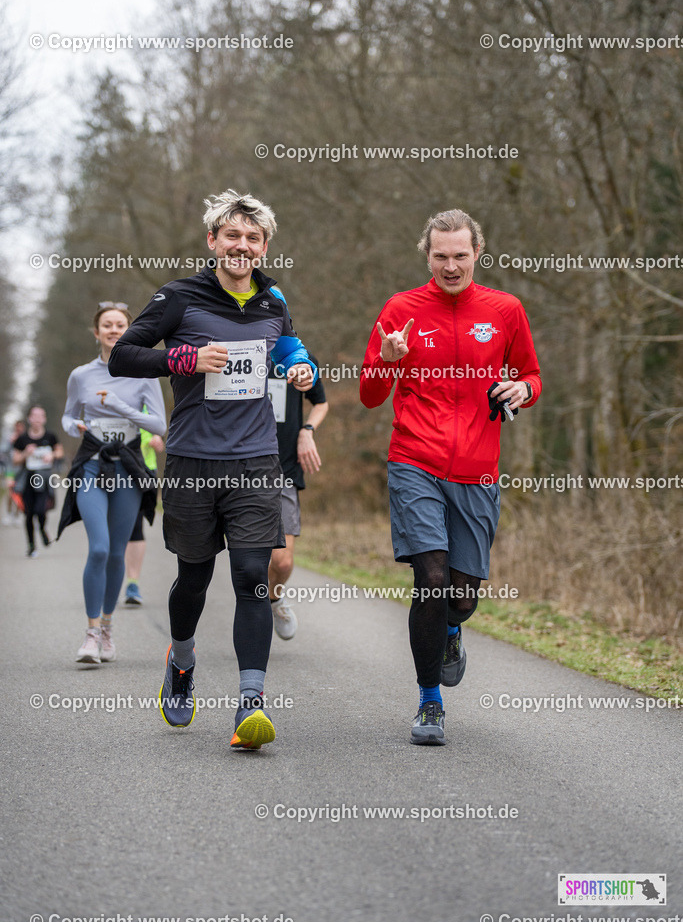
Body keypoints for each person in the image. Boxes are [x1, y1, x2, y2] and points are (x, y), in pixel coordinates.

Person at [108, 189, 317, 751]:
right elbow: (123, 355)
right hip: (193, 461)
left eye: (253, 238)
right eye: (232, 236)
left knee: (252, 576)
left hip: (255, 461)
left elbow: (289, 348)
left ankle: (251, 704)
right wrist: (184, 358)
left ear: (264, 246)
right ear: (213, 241)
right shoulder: (179, 297)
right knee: (194, 578)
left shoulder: (272, 300)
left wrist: (300, 369)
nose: (242, 246)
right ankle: (181, 661)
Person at [360, 207, 541, 746]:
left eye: (460, 255)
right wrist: (387, 359)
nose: (451, 266)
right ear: (427, 255)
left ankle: (453, 629)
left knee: (460, 596)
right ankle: (429, 701)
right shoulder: (401, 310)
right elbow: (369, 394)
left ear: (477, 253)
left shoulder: (505, 310)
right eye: (441, 256)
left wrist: (522, 390)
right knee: (431, 579)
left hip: (478, 472)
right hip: (415, 460)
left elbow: (530, 375)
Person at [59, 302, 166, 664]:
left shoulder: (145, 375)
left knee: (118, 552)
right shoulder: (81, 375)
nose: (114, 330)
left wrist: (120, 406)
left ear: (129, 331)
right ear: (97, 332)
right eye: (107, 325)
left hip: (128, 470)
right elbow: (68, 416)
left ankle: (107, 627)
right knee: (99, 548)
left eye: (120, 325)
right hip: (92, 466)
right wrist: (75, 426)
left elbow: (159, 426)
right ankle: (91, 634)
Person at [267, 354, 329, 638]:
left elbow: (321, 402)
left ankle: (273, 598)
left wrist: (307, 430)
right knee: (249, 560)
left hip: (284, 470)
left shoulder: (298, 359)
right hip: (239, 470)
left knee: (282, 561)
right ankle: (252, 610)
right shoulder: (236, 350)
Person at [123, 425, 165, 606]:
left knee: (135, 527)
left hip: (143, 471)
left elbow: (160, 431)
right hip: (115, 470)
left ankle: (132, 584)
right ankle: (108, 580)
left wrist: (158, 439)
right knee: (113, 528)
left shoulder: (148, 409)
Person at [12, 407, 63, 556]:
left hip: (44, 480)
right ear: (29, 418)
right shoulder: (22, 439)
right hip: (27, 480)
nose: (37, 419)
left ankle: (42, 529)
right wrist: (25, 453)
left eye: (40, 416)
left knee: (40, 510)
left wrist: (52, 455)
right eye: (34, 416)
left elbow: (60, 452)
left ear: (44, 419)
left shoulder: (50, 436)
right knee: (29, 514)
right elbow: (15, 459)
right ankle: (31, 545)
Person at [3, 420, 26, 526]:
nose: (19, 429)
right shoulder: (10, 438)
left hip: (22, 469)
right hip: (10, 469)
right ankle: (9, 514)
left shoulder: (26, 439)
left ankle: (17, 515)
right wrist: (10, 442)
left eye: (21, 427)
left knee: (19, 493)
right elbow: (3, 451)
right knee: (10, 492)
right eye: (17, 427)